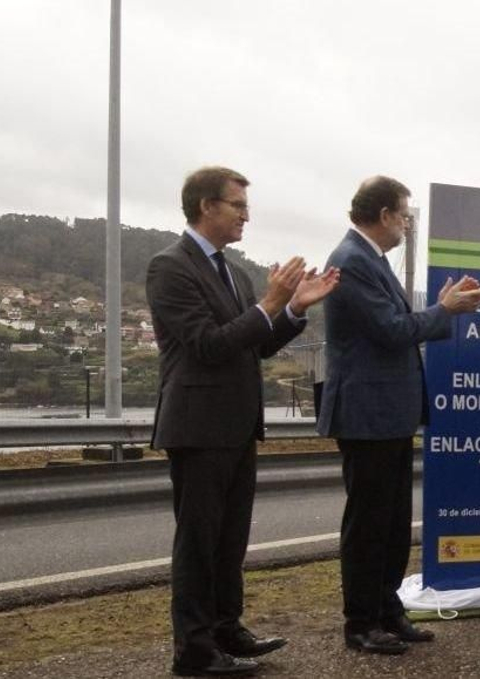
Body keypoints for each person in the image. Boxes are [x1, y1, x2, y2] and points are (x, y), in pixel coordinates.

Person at [147, 166, 338, 677]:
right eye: (237, 206)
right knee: (198, 542)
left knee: (231, 539)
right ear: (206, 206)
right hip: (197, 425)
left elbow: (253, 343)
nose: (245, 216)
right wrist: (271, 301)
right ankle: (194, 649)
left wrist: (293, 308)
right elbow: (208, 345)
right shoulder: (169, 267)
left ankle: (227, 628)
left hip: (236, 425)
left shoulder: (234, 272)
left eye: (246, 207)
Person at [316, 176, 480, 655]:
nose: (408, 223)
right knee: (369, 522)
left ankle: (388, 610)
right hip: (366, 414)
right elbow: (393, 330)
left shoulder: (370, 259)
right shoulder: (350, 260)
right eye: (405, 214)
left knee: (392, 522)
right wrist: (445, 309)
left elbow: (398, 326)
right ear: (386, 214)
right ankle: (361, 622)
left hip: (386, 413)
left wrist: (445, 308)